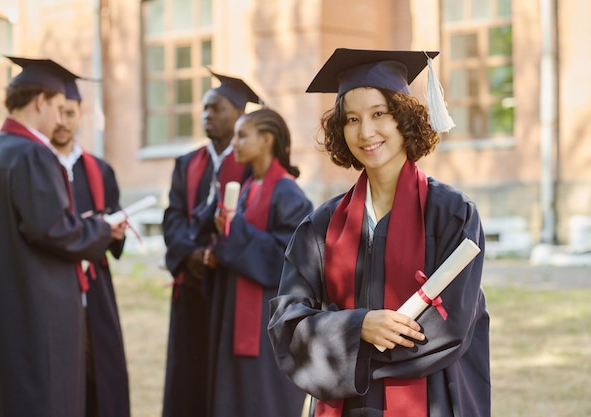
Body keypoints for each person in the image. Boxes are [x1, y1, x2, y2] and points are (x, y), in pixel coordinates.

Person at [268, 49, 490, 417]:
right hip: (348, 405)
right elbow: (287, 324)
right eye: (352, 119)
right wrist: (360, 327)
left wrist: (348, 351)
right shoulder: (319, 227)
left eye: (378, 114)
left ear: (403, 117)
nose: (366, 131)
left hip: (430, 400)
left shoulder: (452, 213)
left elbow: (453, 327)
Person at [0, 56, 126, 417]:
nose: (61, 119)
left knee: (16, 391)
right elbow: (55, 230)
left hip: (9, 300)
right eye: (59, 108)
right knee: (49, 394)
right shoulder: (33, 155)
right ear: (40, 101)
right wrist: (103, 228)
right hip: (41, 306)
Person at [161, 68, 261, 417]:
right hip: (191, 282)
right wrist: (190, 255)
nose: (207, 115)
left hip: (230, 283)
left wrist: (217, 254)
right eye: (204, 108)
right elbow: (172, 217)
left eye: (216, 108)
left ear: (239, 114)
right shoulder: (187, 163)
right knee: (186, 373)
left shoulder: (252, 163)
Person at [205, 108, 312, 417]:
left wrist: (234, 229)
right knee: (233, 397)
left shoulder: (288, 192)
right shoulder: (251, 186)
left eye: (242, 135)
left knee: (261, 400)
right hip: (234, 312)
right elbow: (240, 242)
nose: (234, 143)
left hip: (266, 323)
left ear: (266, 140)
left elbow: (289, 258)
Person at [50, 79, 130, 417]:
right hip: (55, 284)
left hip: (96, 285)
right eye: (59, 113)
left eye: (71, 113)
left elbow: (115, 235)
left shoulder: (99, 170)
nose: (64, 122)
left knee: (102, 367)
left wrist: (115, 231)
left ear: (80, 115)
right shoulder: (38, 166)